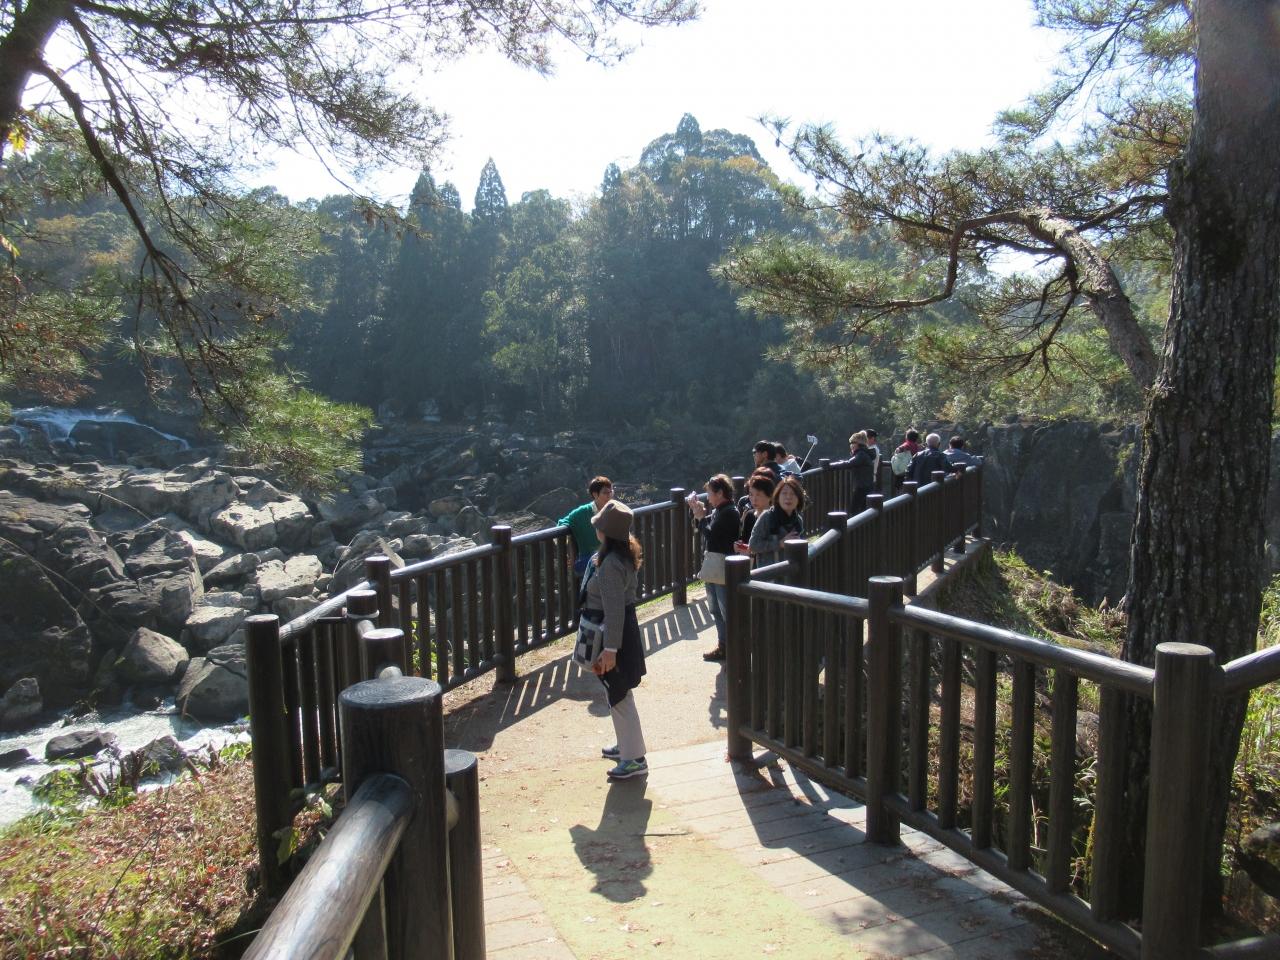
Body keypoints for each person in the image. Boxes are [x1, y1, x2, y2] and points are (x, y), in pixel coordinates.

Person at [583, 500, 648, 781]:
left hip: (613, 634)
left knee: (619, 693)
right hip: (621, 630)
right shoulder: (624, 554)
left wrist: (610, 649)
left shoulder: (610, 564)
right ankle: (626, 745)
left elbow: (614, 609)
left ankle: (634, 759)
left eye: (598, 525)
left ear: (605, 532)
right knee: (618, 692)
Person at [688, 473, 739, 662]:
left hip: (723, 566)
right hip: (714, 566)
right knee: (715, 609)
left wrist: (702, 518)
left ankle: (732, 647)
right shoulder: (720, 510)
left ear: (720, 493)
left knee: (725, 610)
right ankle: (723, 645)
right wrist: (696, 512)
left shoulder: (730, 513)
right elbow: (704, 527)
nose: (707, 497)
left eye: (709, 492)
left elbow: (712, 536)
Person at [558, 476, 613, 582]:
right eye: (605, 493)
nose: (609, 495)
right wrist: (567, 550)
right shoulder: (583, 512)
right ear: (595, 494)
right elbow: (562, 523)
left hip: (608, 556)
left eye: (611, 492)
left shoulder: (613, 508)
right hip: (589, 558)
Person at [748, 475, 806, 558]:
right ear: (778, 497)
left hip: (792, 566)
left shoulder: (798, 520)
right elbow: (753, 545)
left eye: (793, 494)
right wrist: (779, 544)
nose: (788, 497)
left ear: (799, 499)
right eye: (784, 493)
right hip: (770, 566)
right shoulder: (767, 517)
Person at [734, 471, 776, 556]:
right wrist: (739, 546)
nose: (754, 499)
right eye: (751, 494)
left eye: (758, 495)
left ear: (770, 496)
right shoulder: (749, 515)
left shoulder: (775, 516)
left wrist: (752, 548)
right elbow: (746, 541)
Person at [846, 431, 877, 515]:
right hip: (867, 486)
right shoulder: (864, 453)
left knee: (854, 511)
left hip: (861, 487)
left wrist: (832, 466)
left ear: (859, 444)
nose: (851, 445)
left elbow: (849, 463)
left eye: (853, 443)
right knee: (863, 511)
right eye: (850, 443)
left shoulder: (861, 454)